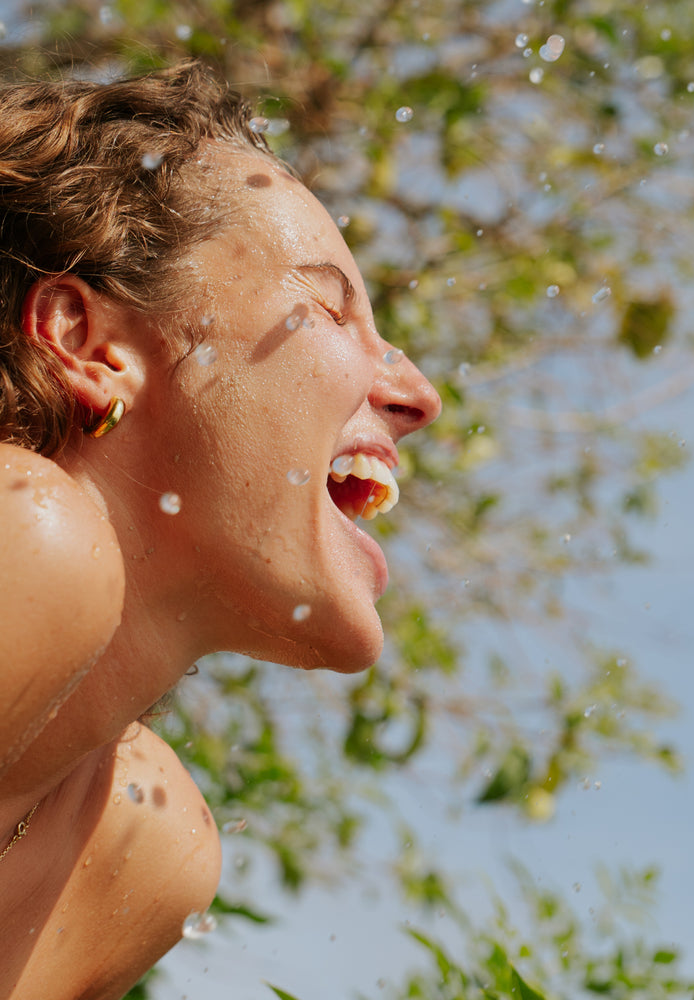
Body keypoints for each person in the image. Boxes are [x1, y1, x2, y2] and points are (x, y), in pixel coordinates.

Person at [0, 60, 441, 1000]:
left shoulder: (135, 848)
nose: (418, 396)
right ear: (90, 345)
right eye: (329, 307)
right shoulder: (23, 523)